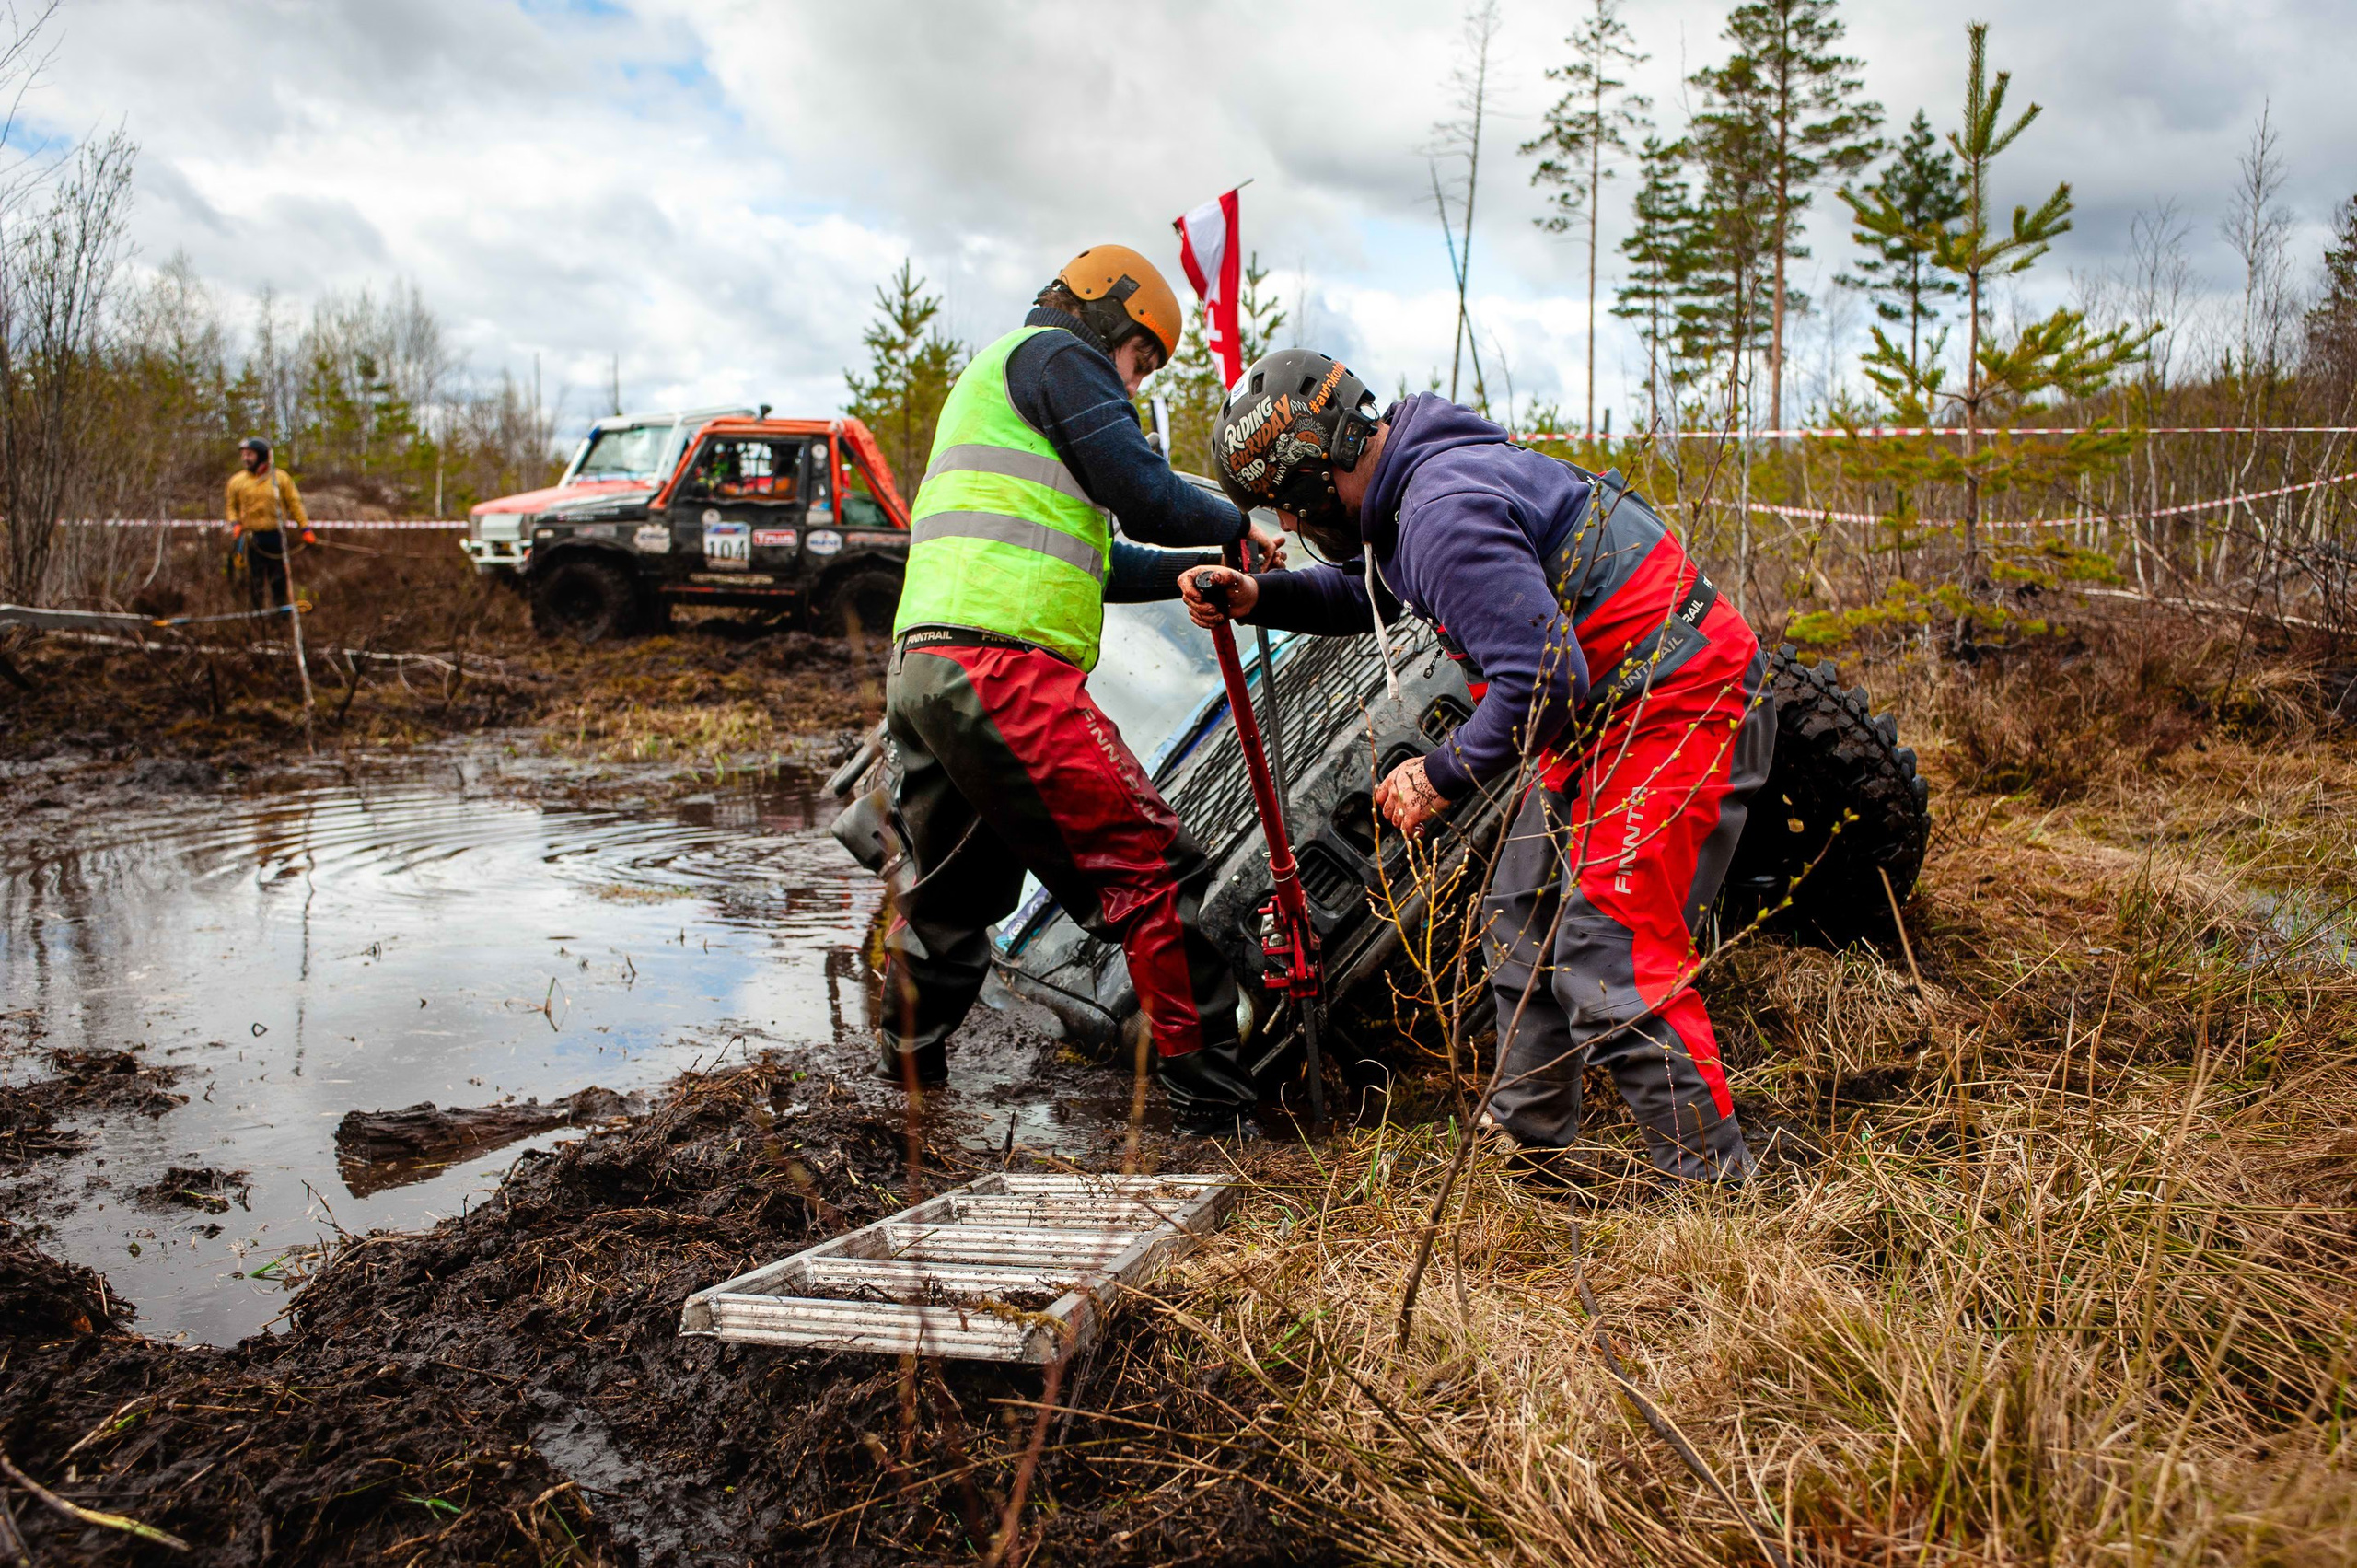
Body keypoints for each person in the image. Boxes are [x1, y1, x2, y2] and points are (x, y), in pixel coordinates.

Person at [1180, 350, 1771, 1183]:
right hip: (1609, 716)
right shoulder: (1415, 494)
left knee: (1609, 948)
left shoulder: (1439, 511)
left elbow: (1543, 678)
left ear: (1317, 478)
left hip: (1678, 702)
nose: (1296, 521)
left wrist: (1441, 772)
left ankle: (1712, 1190)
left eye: (1290, 503)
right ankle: (1529, 1145)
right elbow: (1371, 589)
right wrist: (1261, 597)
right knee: (1520, 908)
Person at [880, 245, 1286, 1135]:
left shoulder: (995, 380)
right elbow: (1145, 496)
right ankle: (1215, 1105)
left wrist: (1190, 566)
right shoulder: (1061, 356)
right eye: (1141, 359)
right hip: (1006, 671)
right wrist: (1238, 528)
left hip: (926, 671)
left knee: (952, 897)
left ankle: (908, 1103)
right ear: (1111, 313)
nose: (1136, 384)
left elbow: (1100, 558)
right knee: (1147, 870)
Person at [225, 437, 313, 611]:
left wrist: (305, 528)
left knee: (278, 580)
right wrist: (235, 523)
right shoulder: (237, 481)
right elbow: (231, 506)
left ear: (262, 455)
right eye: (243, 455)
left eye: (249, 454)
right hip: (251, 539)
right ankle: (257, 617)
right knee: (254, 581)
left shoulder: (280, 479)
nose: (245, 458)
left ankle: (281, 617)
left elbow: (295, 504)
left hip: (276, 536)